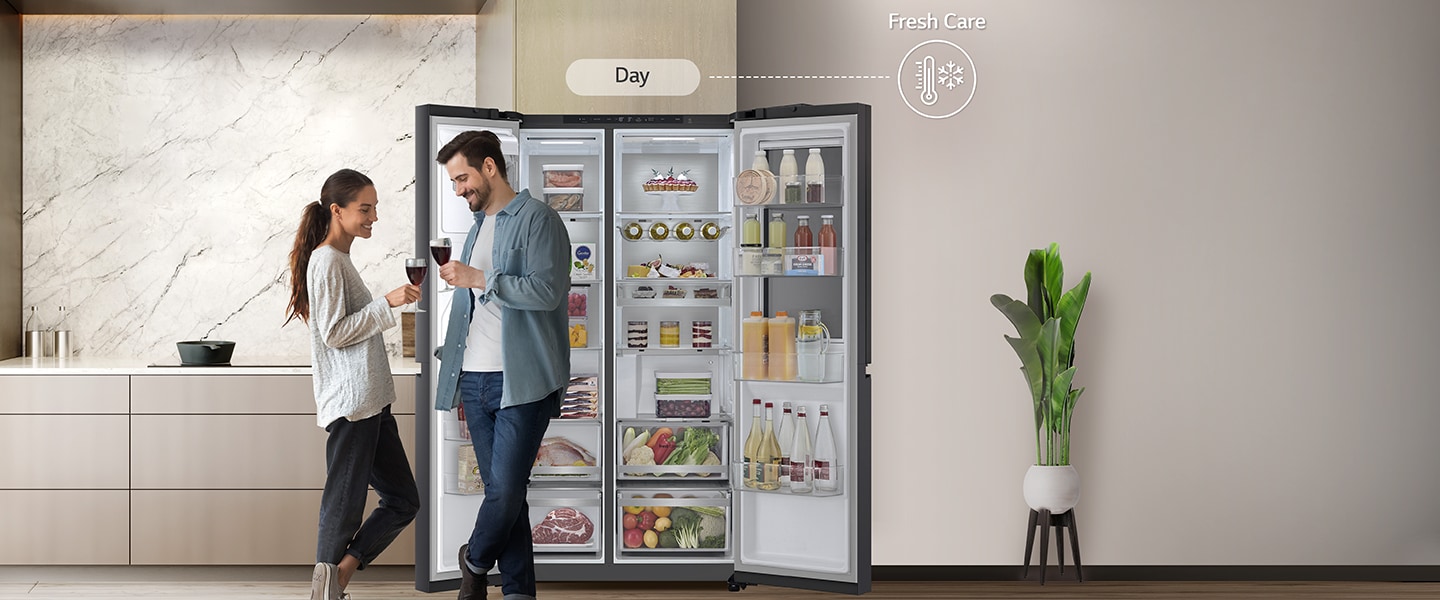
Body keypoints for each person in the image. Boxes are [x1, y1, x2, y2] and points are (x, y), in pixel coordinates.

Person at [433, 131, 571, 600]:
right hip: (474, 379)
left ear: (490, 167)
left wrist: (479, 277)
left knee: (506, 492)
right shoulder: (476, 228)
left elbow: (548, 292)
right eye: (453, 183)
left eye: (463, 178)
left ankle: (473, 560)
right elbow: (474, 309)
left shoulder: (540, 219)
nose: (458, 190)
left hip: (521, 379)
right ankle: (518, 593)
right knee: (506, 497)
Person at [285, 168, 422, 600]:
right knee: (343, 504)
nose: (373, 217)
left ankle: (339, 575)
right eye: (365, 209)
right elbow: (333, 332)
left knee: (403, 500)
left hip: (372, 402)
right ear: (337, 210)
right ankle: (324, 592)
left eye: (375, 208)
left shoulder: (340, 259)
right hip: (352, 403)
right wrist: (388, 303)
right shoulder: (326, 259)